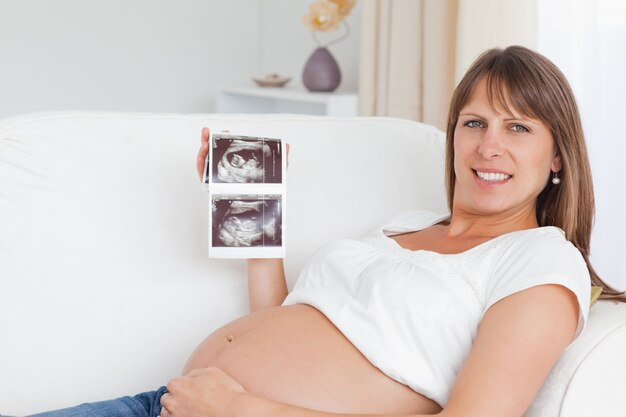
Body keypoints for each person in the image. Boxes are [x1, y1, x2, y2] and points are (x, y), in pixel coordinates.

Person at [27, 45, 626, 417]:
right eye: (474, 122)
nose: (489, 145)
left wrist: (247, 410)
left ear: (557, 158)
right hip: (165, 403)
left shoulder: (541, 262)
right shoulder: (407, 227)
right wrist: (250, 205)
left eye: (518, 128)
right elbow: (289, 320)